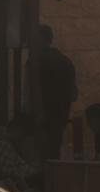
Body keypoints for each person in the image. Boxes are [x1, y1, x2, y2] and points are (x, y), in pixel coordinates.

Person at [31, 24, 77, 163]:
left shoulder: (36, 61)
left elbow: (32, 90)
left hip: (41, 118)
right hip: (59, 117)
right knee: (53, 155)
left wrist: (37, 113)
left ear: (40, 38)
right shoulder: (66, 61)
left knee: (40, 157)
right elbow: (73, 94)